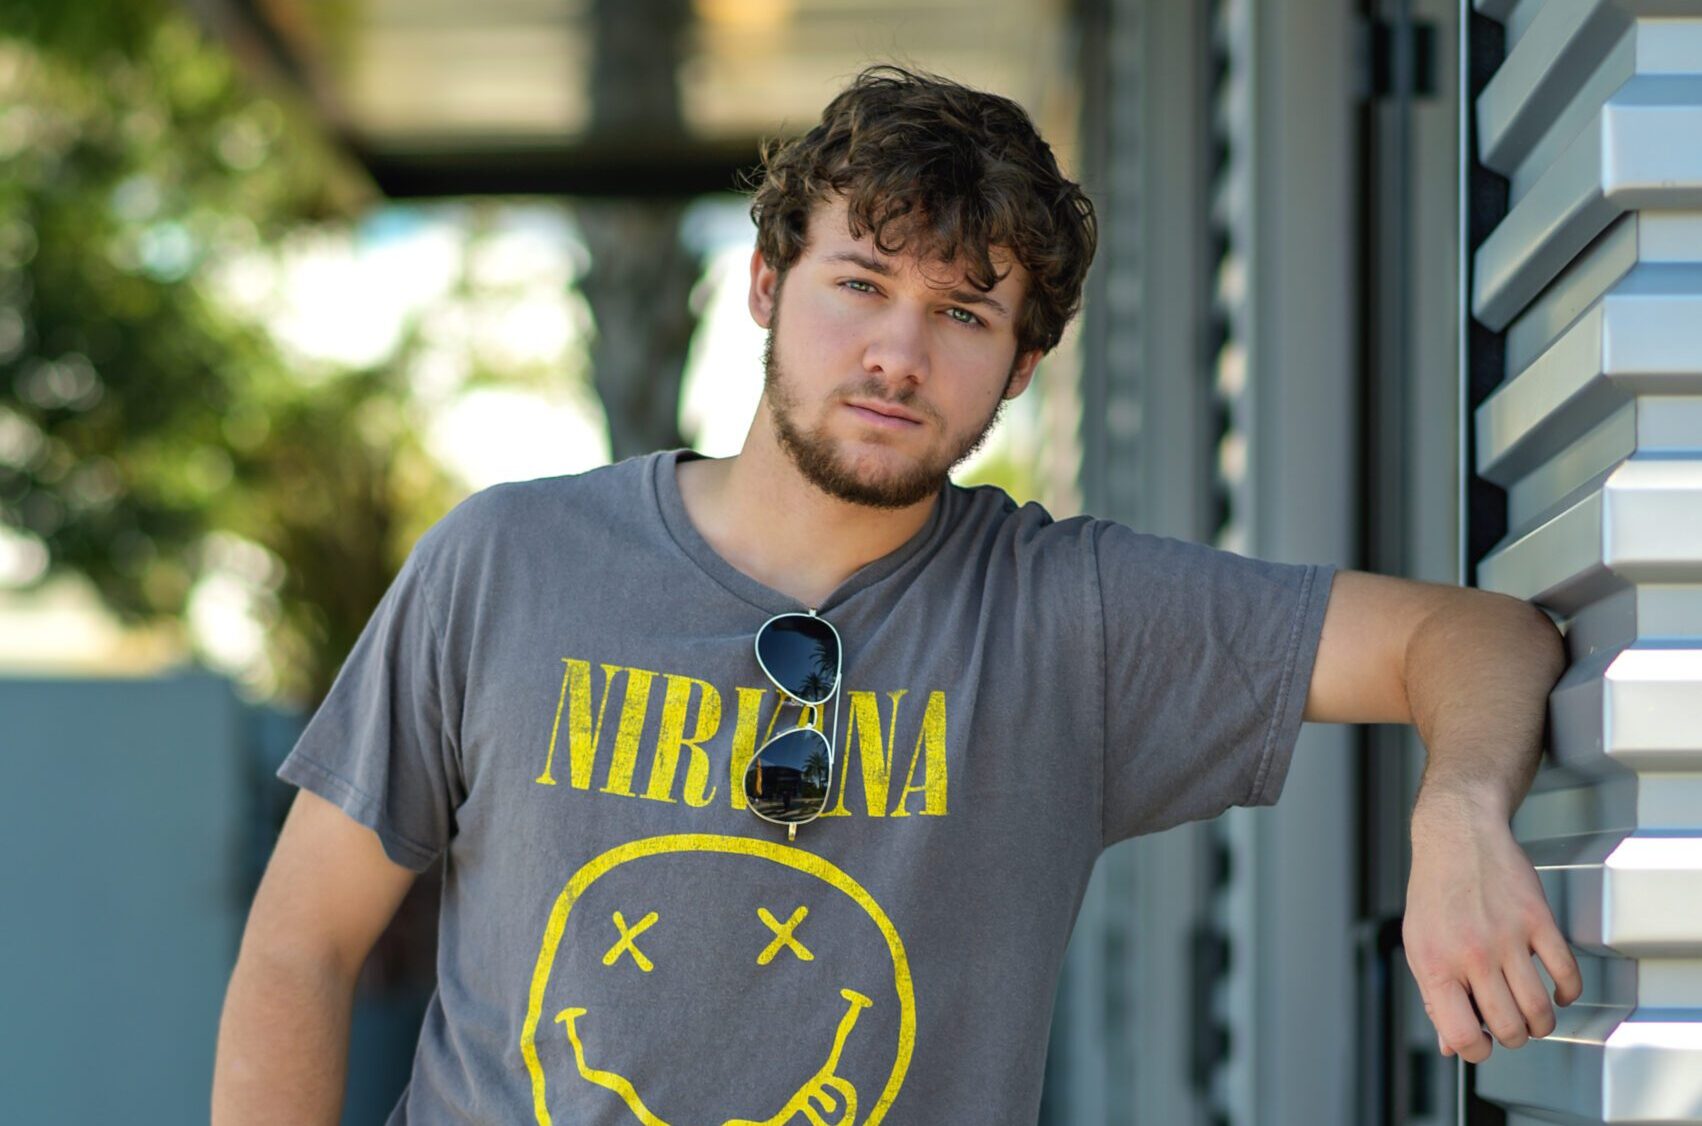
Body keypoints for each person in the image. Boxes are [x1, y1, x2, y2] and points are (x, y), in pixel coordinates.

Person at [212, 65, 1580, 1124]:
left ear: (1021, 368)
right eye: (855, 283)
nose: (895, 352)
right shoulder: (504, 561)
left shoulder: (1071, 620)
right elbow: (299, 945)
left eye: (964, 314)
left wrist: (1456, 807)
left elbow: (1476, 636)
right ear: (764, 283)